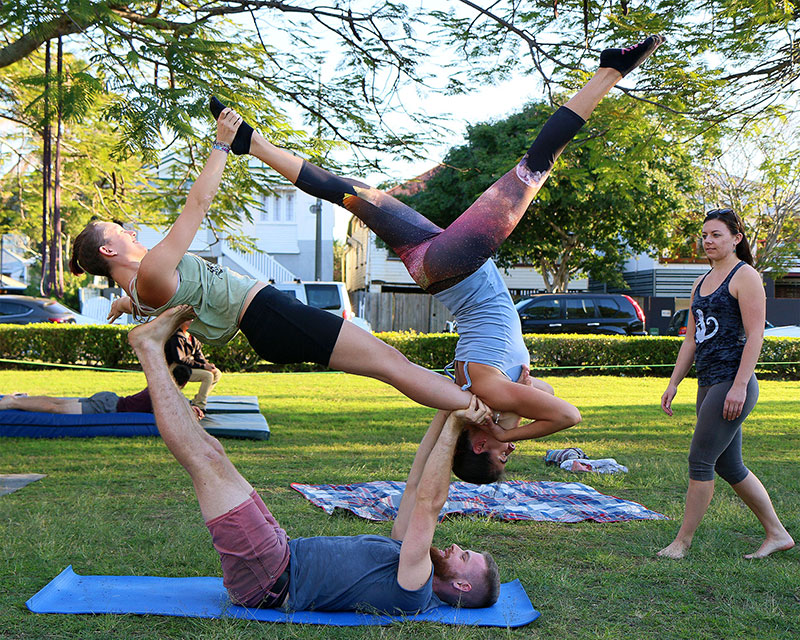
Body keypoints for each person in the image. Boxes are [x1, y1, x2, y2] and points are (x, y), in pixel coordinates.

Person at [206, 35, 664, 482]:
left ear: (480, 444)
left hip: (456, 265)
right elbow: (543, 395)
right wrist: (501, 414)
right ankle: (254, 145)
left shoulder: (485, 393)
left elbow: (569, 415)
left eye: (504, 457)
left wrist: (505, 429)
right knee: (353, 194)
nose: (513, 451)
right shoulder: (486, 395)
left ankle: (610, 71)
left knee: (536, 165)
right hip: (432, 270)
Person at [126, 305, 501, 612]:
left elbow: (429, 503)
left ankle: (148, 350)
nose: (456, 547)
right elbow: (418, 480)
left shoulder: (415, 585)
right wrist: (449, 402)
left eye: (464, 555)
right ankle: (150, 348)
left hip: (270, 577)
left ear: (462, 585)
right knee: (214, 454)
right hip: (280, 552)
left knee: (204, 460)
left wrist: (455, 427)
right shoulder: (405, 556)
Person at [658, 208, 794, 559]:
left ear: (736, 238)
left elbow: (755, 335)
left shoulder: (745, 275)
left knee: (700, 460)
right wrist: (674, 383)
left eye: (716, 234)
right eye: (705, 235)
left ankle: (681, 542)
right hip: (709, 381)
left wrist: (738, 385)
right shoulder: (701, 282)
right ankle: (777, 534)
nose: (707, 241)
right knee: (728, 464)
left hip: (733, 382)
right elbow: (691, 340)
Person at [0, 364, 204, 419]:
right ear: (185, 383)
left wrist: (191, 407)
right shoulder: (165, 391)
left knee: (58, 402)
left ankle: (19, 400)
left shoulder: (163, 386)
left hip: (108, 401)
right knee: (55, 407)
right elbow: (177, 407)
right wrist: (192, 409)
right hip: (107, 407)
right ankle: (12, 402)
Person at [165, 320, 221, 411]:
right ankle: (200, 405)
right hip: (177, 367)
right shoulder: (176, 337)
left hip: (188, 365)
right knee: (208, 376)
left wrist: (207, 365)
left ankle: (197, 400)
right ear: (181, 320)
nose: (191, 321)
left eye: (193, 319)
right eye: (188, 319)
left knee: (217, 373)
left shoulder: (193, 336)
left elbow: (198, 355)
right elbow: (180, 359)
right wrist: (203, 367)